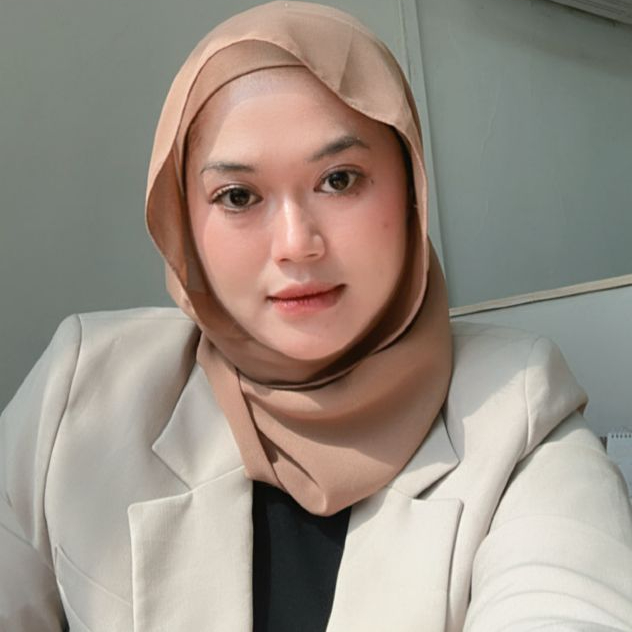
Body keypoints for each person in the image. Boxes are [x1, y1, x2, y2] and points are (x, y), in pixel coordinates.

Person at [1, 2, 631, 631]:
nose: (296, 244)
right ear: (184, 223)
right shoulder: (81, 393)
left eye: (340, 180)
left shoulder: (518, 413)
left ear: (410, 192)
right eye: (238, 196)